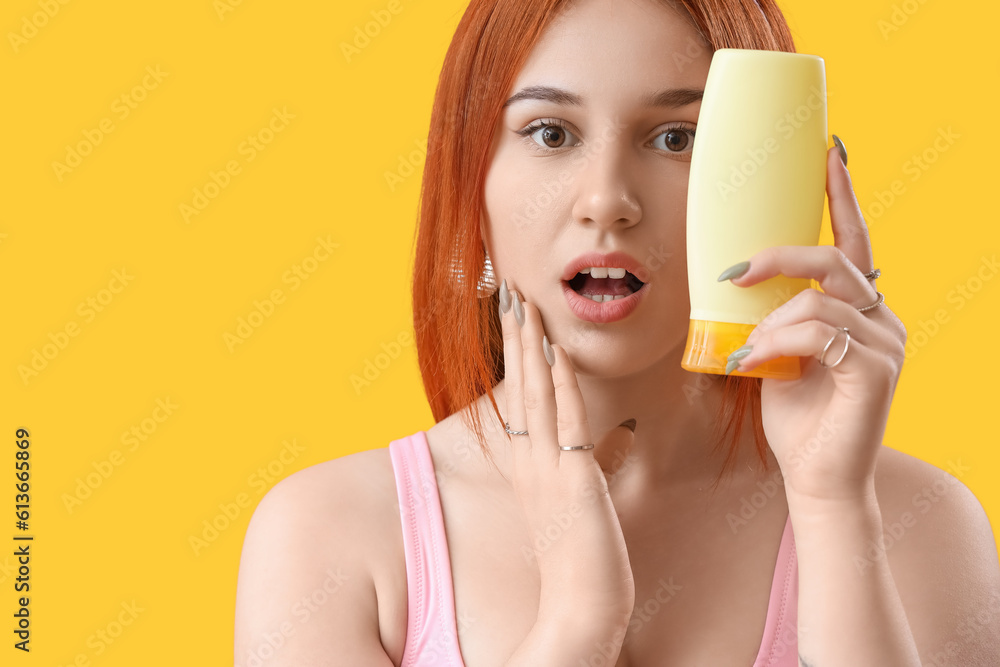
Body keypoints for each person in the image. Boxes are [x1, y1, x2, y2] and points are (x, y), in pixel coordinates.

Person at [234, 0, 1000, 665]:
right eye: (550, 132)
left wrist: (833, 508)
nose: (608, 201)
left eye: (675, 138)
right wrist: (578, 619)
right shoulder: (331, 536)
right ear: (471, 186)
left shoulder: (921, 523)